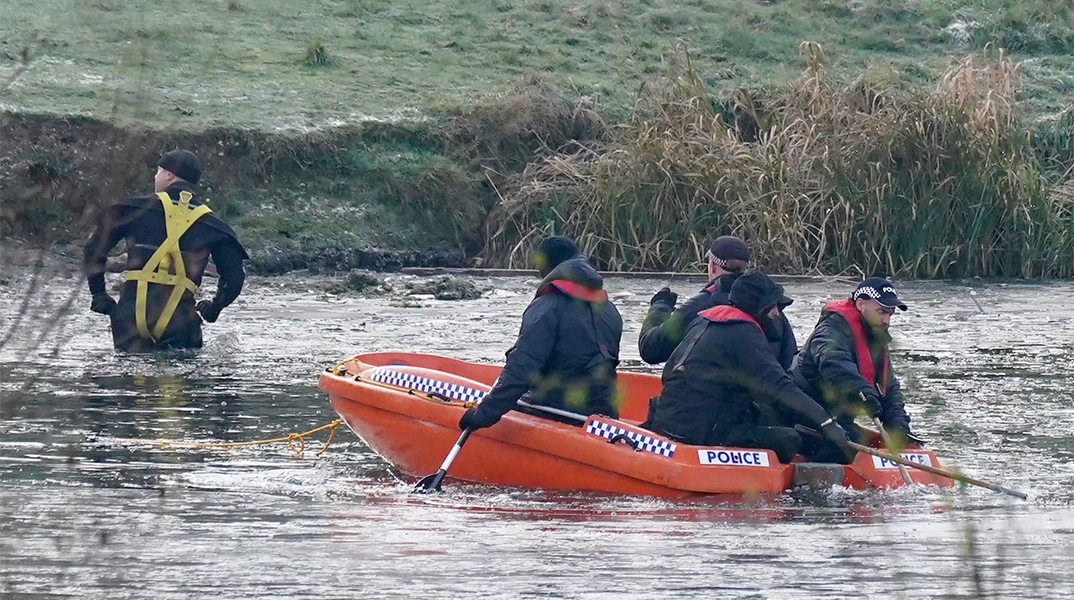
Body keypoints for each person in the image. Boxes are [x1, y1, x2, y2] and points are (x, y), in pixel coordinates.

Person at [644, 270, 855, 464]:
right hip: (702, 431)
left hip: (670, 419)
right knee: (789, 439)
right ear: (757, 306)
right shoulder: (743, 333)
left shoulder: (705, 319)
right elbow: (779, 388)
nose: (776, 314)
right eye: (773, 306)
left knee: (771, 416)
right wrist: (826, 423)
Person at [83, 149, 248, 352]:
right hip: (180, 323)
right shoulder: (214, 225)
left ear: (169, 174)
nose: (155, 176)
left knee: (128, 378)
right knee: (178, 377)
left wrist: (98, 293)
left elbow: (93, 249)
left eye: (158, 171)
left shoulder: (132, 209)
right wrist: (214, 307)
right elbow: (234, 279)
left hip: (129, 320)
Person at [459, 236, 623, 431]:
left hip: (558, 413)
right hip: (603, 415)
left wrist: (483, 414)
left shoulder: (547, 306)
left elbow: (523, 368)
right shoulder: (609, 308)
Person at [639, 235, 796, 369]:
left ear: (712, 267)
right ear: (746, 269)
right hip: (766, 397)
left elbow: (650, 349)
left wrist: (660, 306)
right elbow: (789, 361)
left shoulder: (700, 306)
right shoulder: (771, 309)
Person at [791, 277, 914, 445]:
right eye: (882, 312)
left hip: (837, 418)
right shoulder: (830, 330)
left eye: (890, 314)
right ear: (861, 304)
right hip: (802, 415)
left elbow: (888, 386)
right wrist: (863, 394)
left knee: (872, 438)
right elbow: (834, 365)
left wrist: (897, 421)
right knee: (849, 445)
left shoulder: (875, 337)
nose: (887, 321)